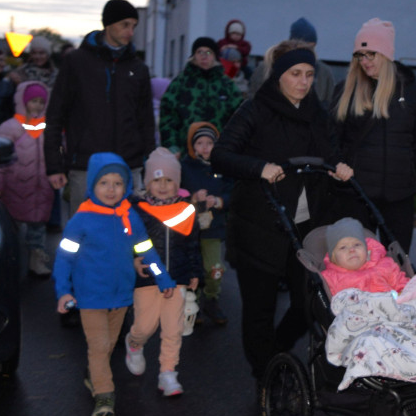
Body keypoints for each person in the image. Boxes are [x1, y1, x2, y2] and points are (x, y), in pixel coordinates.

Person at [211, 42, 353, 380]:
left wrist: (339, 169)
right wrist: (258, 166)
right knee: (258, 309)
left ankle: (275, 353)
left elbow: (331, 154)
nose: (303, 82)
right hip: (259, 225)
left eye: (308, 75)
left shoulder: (318, 115)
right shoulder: (255, 110)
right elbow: (221, 155)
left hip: (303, 228)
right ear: (279, 77)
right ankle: (265, 377)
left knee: (308, 304)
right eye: (295, 74)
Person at [54, 152, 176, 416]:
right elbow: (64, 258)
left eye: (118, 183)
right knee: (99, 346)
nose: (111, 189)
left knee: (108, 344)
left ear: (127, 186)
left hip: (120, 296)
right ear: (92, 186)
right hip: (90, 296)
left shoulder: (129, 216)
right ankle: (104, 395)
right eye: (104, 183)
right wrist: (63, 290)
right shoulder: (81, 220)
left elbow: (147, 251)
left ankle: (93, 375)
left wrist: (162, 277)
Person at [331, 18, 416, 254]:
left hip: (399, 198)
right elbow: (330, 141)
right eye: (360, 55)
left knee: (396, 267)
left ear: (386, 54)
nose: (365, 62)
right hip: (356, 196)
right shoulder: (346, 90)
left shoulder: (411, 91)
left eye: (371, 54)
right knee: (356, 269)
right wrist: (337, 166)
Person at [44, 0, 154, 213]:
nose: (130, 32)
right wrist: (54, 166)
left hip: (128, 165)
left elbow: (146, 119)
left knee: (127, 234)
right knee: (84, 236)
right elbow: (56, 114)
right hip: (85, 166)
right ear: (108, 24)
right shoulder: (76, 62)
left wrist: (149, 162)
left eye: (134, 26)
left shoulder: (138, 67)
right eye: (125, 25)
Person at [124, 147, 203, 397]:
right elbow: (125, 243)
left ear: (177, 183)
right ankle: (134, 344)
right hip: (147, 279)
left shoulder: (186, 211)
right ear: (148, 182)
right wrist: (133, 261)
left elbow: (193, 245)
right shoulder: (136, 211)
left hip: (178, 278)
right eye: (157, 180)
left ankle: (168, 373)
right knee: (145, 326)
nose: (162, 185)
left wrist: (194, 272)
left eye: (169, 180)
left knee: (173, 329)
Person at [0, 81, 56, 277]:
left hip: (42, 186)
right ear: (23, 102)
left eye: (40, 102)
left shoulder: (48, 127)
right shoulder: (10, 128)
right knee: (12, 227)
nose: (36, 105)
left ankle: (36, 259)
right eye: (33, 101)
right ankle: (9, 261)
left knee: (38, 226)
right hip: (14, 186)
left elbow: (58, 152)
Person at [181, 121, 234, 325]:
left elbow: (233, 192)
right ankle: (192, 301)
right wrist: (192, 197)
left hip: (213, 228)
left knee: (214, 267)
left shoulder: (223, 166)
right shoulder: (185, 167)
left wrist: (219, 201)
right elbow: (176, 193)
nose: (204, 147)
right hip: (190, 228)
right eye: (199, 143)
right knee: (191, 267)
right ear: (192, 146)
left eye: (209, 143)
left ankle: (212, 298)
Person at [159, 36, 242, 155]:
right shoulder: (180, 83)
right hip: (185, 153)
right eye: (199, 52)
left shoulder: (227, 85)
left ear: (215, 56)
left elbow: (238, 118)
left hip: (219, 153)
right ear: (193, 56)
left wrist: (232, 147)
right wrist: (171, 145)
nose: (204, 56)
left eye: (208, 52)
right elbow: (167, 116)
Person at [248, 17, 336, 109]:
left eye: (312, 47)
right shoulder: (267, 68)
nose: (309, 52)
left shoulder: (324, 72)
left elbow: (330, 105)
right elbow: (254, 100)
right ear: (293, 45)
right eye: (305, 48)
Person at [321, 217, 409, 297]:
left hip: (393, 307)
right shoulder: (331, 278)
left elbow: (401, 283)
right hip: (359, 312)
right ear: (333, 257)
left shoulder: (385, 265)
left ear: (366, 249)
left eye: (357, 245)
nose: (352, 250)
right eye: (343, 247)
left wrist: (403, 293)